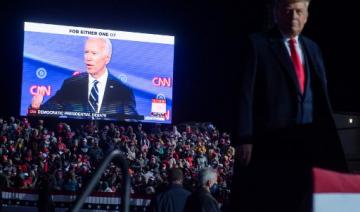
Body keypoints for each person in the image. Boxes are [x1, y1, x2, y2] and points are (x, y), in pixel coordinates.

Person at [231, 0, 348, 211]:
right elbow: (244, 94)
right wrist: (244, 138)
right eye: (288, 10)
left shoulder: (313, 48)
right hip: (272, 142)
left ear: (306, 15)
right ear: (276, 13)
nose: (294, 16)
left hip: (309, 142)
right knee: (276, 198)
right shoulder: (257, 44)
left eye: (299, 11)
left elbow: (320, 95)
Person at [31, 37, 138, 118]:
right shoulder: (71, 85)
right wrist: (35, 107)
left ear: (107, 58)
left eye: (94, 53)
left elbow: (133, 126)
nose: (88, 58)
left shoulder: (123, 91)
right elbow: (45, 116)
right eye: (86, 52)